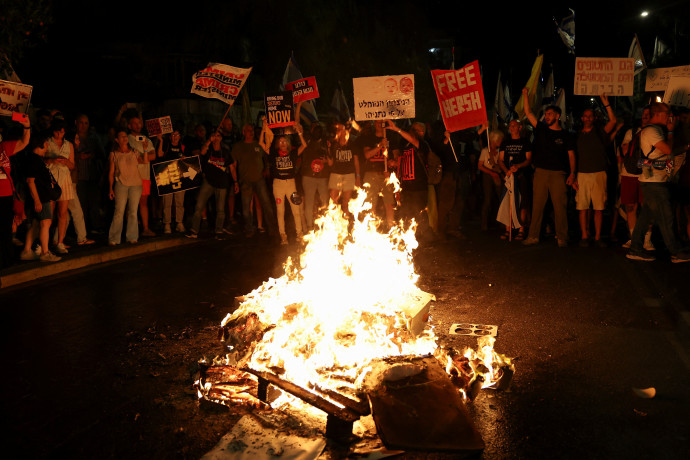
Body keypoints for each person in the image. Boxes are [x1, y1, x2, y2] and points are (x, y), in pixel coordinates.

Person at [626, 103, 690, 263]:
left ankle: (635, 249)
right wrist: (670, 130)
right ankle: (676, 252)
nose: (671, 117)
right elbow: (668, 150)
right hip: (654, 183)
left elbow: (669, 152)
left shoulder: (654, 130)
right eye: (668, 114)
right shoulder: (652, 131)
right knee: (666, 216)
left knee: (645, 218)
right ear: (660, 114)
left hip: (653, 180)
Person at [520, 87, 577, 247]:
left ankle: (562, 237)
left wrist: (573, 174)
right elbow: (528, 112)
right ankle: (533, 236)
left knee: (560, 206)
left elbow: (571, 156)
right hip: (541, 173)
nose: (547, 116)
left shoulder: (566, 135)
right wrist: (525, 95)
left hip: (559, 174)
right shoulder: (541, 129)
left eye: (550, 114)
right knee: (537, 205)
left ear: (558, 116)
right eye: (546, 114)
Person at [46, 118, 94, 253]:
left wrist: (66, 162)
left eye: (61, 132)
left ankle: (59, 242)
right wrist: (51, 160)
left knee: (63, 213)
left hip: (66, 181)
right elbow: (41, 160)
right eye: (57, 132)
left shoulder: (68, 145)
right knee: (49, 214)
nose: (59, 135)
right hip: (51, 181)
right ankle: (47, 242)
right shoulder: (48, 143)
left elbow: (72, 165)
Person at [575, 94, 617, 247]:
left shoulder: (600, 132)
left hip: (599, 173)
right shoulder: (577, 135)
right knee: (583, 207)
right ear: (582, 118)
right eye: (585, 116)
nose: (587, 118)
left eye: (590, 116)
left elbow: (613, 121)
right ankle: (585, 236)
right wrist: (573, 176)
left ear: (594, 118)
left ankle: (598, 237)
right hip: (582, 174)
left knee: (599, 207)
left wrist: (606, 104)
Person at [260, 121, 306, 245]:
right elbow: (261, 143)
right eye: (280, 142)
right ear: (277, 144)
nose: (283, 143)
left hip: (291, 183)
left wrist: (300, 133)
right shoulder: (274, 154)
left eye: (285, 141)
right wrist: (264, 129)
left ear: (288, 143)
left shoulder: (292, 153)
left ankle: (299, 234)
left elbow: (304, 145)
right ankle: (283, 236)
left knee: (295, 210)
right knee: (280, 211)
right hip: (278, 185)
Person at [186, 130, 238, 238]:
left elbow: (232, 168)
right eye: (214, 135)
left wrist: (236, 182)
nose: (216, 138)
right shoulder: (208, 150)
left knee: (220, 209)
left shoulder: (225, 152)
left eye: (218, 136)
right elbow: (202, 151)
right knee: (199, 206)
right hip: (208, 182)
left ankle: (218, 231)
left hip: (222, 183)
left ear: (221, 138)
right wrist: (209, 140)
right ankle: (194, 231)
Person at [390, 120, 434, 241]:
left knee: (420, 211)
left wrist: (397, 129)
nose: (417, 132)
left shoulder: (423, 144)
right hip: (406, 186)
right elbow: (401, 161)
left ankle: (426, 236)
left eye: (420, 130)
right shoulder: (404, 145)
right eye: (414, 129)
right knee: (407, 211)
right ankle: (410, 237)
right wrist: (394, 163)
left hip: (419, 186)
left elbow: (414, 140)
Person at [231, 121, 277, 238]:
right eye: (248, 130)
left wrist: (266, 168)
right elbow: (233, 165)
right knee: (246, 208)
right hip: (245, 181)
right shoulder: (238, 146)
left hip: (259, 179)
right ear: (243, 132)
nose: (251, 133)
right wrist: (235, 181)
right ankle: (249, 228)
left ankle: (272, 228)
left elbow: (265, 157)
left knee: (266, 204)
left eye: (252, 130)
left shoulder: (258, 145)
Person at [20, 135, 61, 262]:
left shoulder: (33, 159)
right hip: (41, 198)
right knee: (45, 223)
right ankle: (45, 252)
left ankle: (27, 251)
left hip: (39, 197)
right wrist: (37, 200)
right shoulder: (35, 160)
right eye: (46, 143)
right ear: (40, 145)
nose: (47, 146)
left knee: (36, 224)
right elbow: (30, 181)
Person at [619, 106, 654, 250]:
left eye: (648, 114)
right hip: (629, 173)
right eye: (643, 114)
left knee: (646, 207)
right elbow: (625, 150)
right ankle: (634, 238)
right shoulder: (632, 132)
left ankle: (647, 240)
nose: (645, 116)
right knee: (630, 206)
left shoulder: (656, 133)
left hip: (648, 175)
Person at [0, 114, 31, 269]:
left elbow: (24, 142)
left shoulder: (4, 147)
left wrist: (26, 125)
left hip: (5, 195)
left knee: (6, 229)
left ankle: (6, 260)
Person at [108, 128, 146, 245]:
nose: (124, 138)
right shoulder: (114, 154)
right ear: (117, 140)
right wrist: (110, 188)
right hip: (121, 183)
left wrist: (144, 150)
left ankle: (132, 236)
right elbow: (111, 172)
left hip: (136, 184)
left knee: (133, 211)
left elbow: (143, 163)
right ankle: (114, 238)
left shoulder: (134, 151)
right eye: (122, 136)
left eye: (125, 136)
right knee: (119, 210)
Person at [499, 119, 532, 240]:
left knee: (522, 202)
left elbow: (529, 159)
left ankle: (521, 229)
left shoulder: (525, 142)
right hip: (509, 177)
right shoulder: (505, 143)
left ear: (520, 127)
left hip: (521, 176)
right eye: (510, 126)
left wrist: (518, 166)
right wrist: (505, 170)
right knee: (508, 201)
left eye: (514, 126)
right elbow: (500, 159)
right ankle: (508, 228)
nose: (512, 128)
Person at [74, 114, 106, 235]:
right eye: (81, 123)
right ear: (76, 123)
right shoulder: (72, 137)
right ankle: (83, 228)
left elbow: (102, 154)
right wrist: (79, 156)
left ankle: (95, 226)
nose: (83, 126)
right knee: (80, 203)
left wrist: (93, 156)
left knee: (93, 202)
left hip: (92, 174)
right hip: (79, 175)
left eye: (86, 123)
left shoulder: (94, 138)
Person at [361, 120, 396, 228]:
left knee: (389, 203)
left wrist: (392, 162)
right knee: (371, 204)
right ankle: (371, 230)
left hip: (386, 174)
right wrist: (380, 145)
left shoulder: (391, 137)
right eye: (376, 122)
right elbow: (367, 155)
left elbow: (396, 156)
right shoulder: (369, 138)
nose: (378, 124)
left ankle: (391, 229)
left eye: (381, 122)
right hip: (371, 174)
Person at [127, 114, 157, 237]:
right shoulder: (127, 139)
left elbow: (153, 155)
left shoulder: (146, 139)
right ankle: (131, 230)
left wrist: (143, 158)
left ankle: (145, 228)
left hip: (144, 175)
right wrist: (144, 157)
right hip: (131, 177)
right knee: (131, 204)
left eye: (139, 123)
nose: (137, 125)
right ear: (129, 126)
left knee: (143, 203)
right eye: (134, 123)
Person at [327, 121, 360, 221]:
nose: (344, 134)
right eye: (342, 132)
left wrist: (357, 176)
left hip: (349, 175)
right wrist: (328, 149)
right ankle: (333, 224)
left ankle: (345, 225)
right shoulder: (333, 144)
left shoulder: (352, 145)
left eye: (346, 133)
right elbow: (330, 163)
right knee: (333, 201)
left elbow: (356, 161)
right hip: (336, 174)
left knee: (346, 203)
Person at [157, 129, 187, 233]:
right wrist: (160, 141)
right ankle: (167, 224)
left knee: (179, 201)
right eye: (173, 135)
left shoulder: (183, 147)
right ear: (170, 137)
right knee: (167, 202)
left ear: (180, 136)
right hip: (167, 178)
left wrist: (185, 159)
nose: (175, 136)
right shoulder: (166, 146)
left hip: (179, 177)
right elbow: (160, 155)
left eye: (177, 134)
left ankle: (179, 223)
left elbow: (188, 162)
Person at [477, 127, 505, 234]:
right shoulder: (485, 151)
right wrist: (491, 173)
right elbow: (480, 166)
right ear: (495, 140)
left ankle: (501, 222)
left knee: (501, 198)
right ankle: (484, 223)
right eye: (500, 139)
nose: (501, 141)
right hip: (488, 176)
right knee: (488, 199)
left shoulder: (499, 151)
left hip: (497, 175)